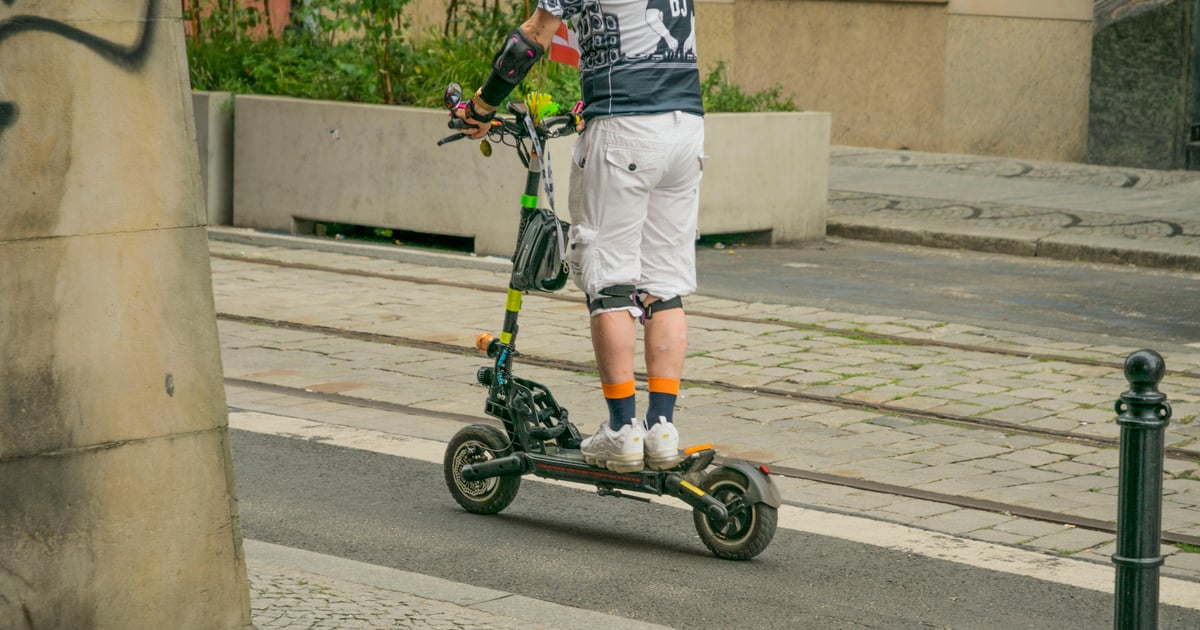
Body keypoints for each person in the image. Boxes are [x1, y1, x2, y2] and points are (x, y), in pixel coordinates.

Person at [455, 0, 704, 474]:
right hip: (686, 127)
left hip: (626, 125)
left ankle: (622, 431)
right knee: (664, 286)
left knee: (609, 283)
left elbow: (531, 39)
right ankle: (662, 428)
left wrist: (482, 106)